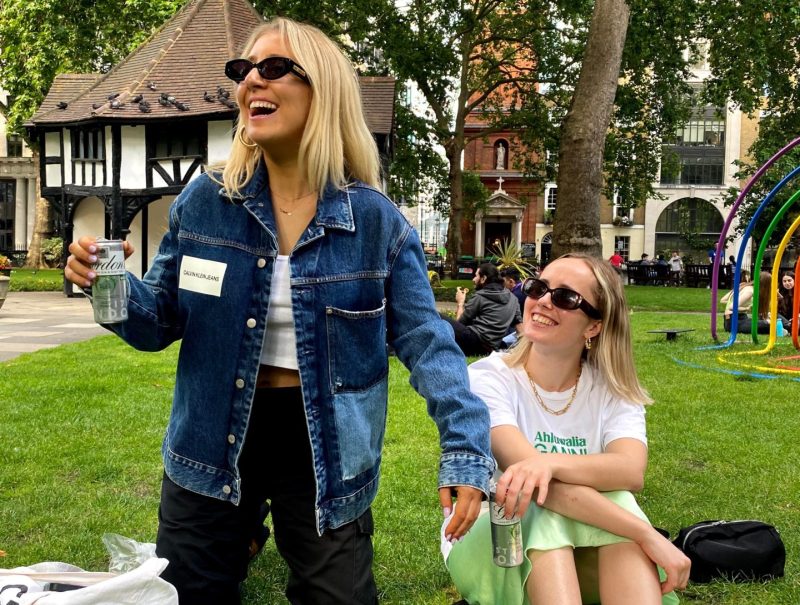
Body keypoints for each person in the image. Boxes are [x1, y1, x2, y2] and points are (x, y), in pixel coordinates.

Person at [64, 17, 494, 605]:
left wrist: (465, 448)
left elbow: (427, 341)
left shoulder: (374, 222)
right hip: (212, 435)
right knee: (190, 595)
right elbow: (159, 318)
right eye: (242, 71)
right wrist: (107, 286)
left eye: (272, 68)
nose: (249, 83)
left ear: (324, 90)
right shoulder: (205, 202)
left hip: (326, 447)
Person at [446, 253, 691, 605]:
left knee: (618, 497)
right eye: (539, 287)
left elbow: (630, 471)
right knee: (541, 506)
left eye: (565, 297)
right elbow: (534, 489)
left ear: (594, 326)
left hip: (585, 549)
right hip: (499, 543)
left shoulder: (612, 389)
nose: (544, 300)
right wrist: (644, 532)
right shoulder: (488, 379)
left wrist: (550, 463)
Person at [443, 262, 522, 356]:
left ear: (483, 278)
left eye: (476, 276)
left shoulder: (480, 296)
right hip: (491, 348)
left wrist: (460, 302)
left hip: (472, 341)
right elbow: (520, 328)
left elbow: (459, 324)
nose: (473, 279)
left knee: (436, 316)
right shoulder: (513, 299)